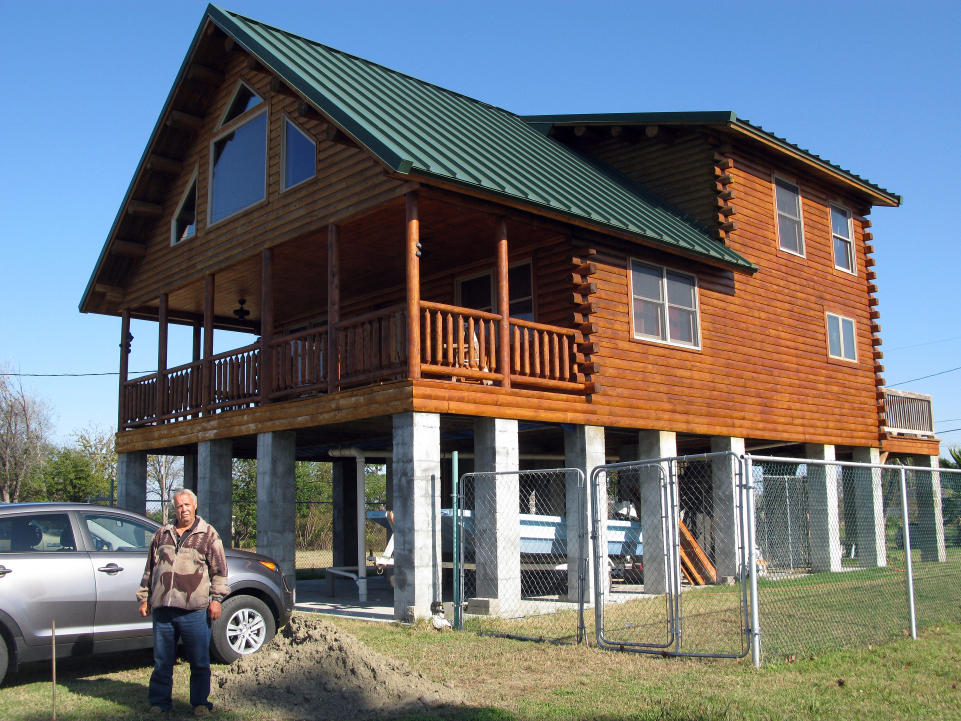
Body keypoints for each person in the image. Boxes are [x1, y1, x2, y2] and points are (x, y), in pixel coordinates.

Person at [138, 488, 228, 716]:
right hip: (163, 611)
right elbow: (150, 568)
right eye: (179, 505)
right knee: (162, 662)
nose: (183, 509)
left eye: (187, 505)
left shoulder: (207, 534)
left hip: (194, 611)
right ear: (174, 507)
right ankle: (159, 703)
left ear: (195, 506)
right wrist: (144, 597)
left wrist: (216, 599)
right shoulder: (162, 534)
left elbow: (219, 570)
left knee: (199, 661)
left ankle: (200, 703)